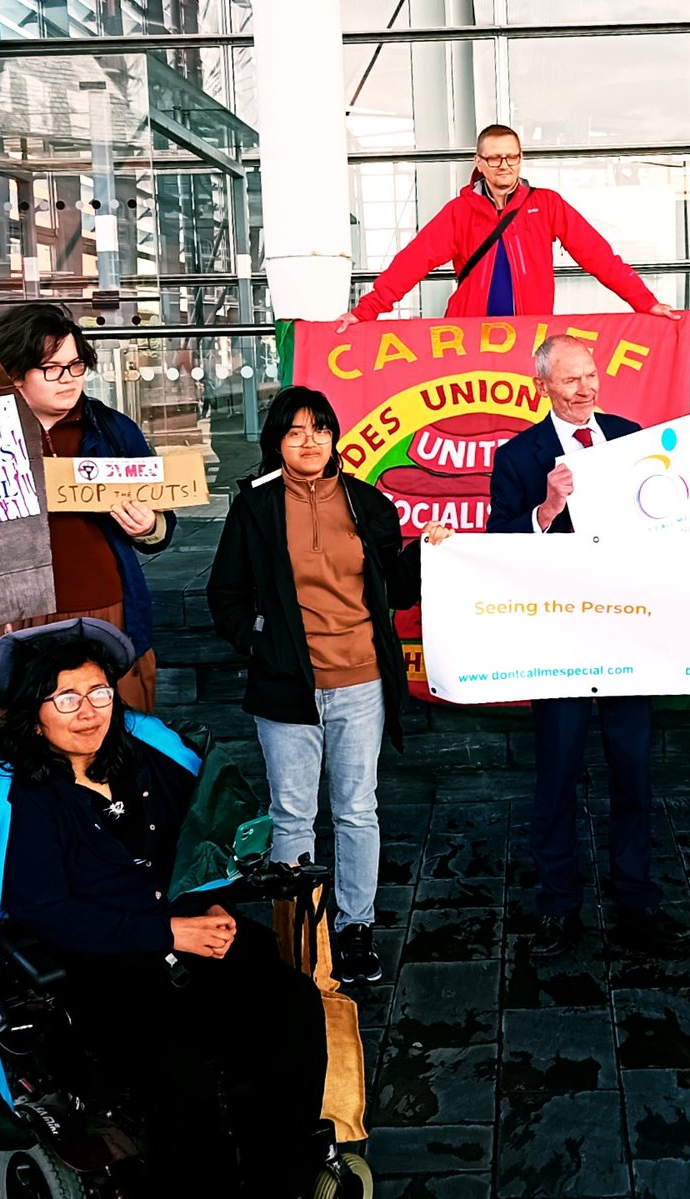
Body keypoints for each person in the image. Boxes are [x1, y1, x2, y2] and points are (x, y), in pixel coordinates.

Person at [0, 619, 327, 1198]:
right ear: (33, 711)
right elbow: (48, 913)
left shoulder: (146, 763)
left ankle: (280, 1179)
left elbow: (201, 845)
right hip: (103, 967)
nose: (88, 710)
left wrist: (214, 900)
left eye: (99, 693)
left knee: (290, 1005)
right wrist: (167, 933)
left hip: (187, 939)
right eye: (66, 697)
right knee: (175, 1066)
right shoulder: (26, 801)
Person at [207, 386, 451, 985]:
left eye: (319, 429)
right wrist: (261, 641)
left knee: (356, 809)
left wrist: (427, 551)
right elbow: (227, 594)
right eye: (295, 432)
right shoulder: (255, 508)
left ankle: (354, 927)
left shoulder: (367, 503)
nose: (309, 441)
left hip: (361, 679)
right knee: (291, 815)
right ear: (277, 443)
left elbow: (394, 585)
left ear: (334, 437)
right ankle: (298, 935)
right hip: (285, 686)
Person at [486, 334, 685, 959]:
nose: (587, 388)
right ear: (541, 385)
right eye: (572, 380)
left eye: (592, 376)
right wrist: (546, 509)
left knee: (632, 774)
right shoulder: (520, 457)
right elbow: (499, 547)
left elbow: (671, 522)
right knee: (558, 776)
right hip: (559, 642)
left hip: (628, 635)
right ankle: (558, 907)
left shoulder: (632, 437)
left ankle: (635, 902)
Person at [0, 303, 174, 724]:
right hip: (10, 624)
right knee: (24, 759)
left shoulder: (112, 430)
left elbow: (161, 523)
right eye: (51, 369)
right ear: (14, 374)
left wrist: (149, 526)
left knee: (118, 746)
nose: (68, 379)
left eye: (75, 365)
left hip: (107, 615)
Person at [336, 124, 680, 329]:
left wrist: (645, 302)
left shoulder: (546, 205)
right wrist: (364, 314)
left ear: (520, 158)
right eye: (495, 158)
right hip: (466, 338)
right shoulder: (459, 212)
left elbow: (599, 257)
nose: (504, 165)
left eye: (512, 157)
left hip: (529, 337)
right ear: (479, 163)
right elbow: (411, 264)